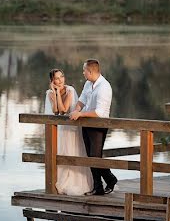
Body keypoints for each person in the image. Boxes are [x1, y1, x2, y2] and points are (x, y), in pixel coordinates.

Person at [70, 59, 118, 199]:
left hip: (98, 126)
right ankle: (99, 186)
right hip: (86, 124)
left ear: (90, 71)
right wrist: (76, 110)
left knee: (95, 156)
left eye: (84, 70)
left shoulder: (104, 87)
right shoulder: (88, 83)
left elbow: (99, 113)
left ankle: (108, 180)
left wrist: (80, 114)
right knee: (91, 156)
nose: (83, 72)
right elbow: (82, 99)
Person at [44, 69, 93, 196]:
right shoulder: (49, 93)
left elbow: (64, 110)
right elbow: (55, 111)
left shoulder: (70, 90)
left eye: (61, 77)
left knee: (73, 152)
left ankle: (77, 182)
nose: (60, 81)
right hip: (60, 129)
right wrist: (55, 93)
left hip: (71, 129)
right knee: (62, 153)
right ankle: (62, 181)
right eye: (56, 78)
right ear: (52, 81)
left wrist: (59, 95)